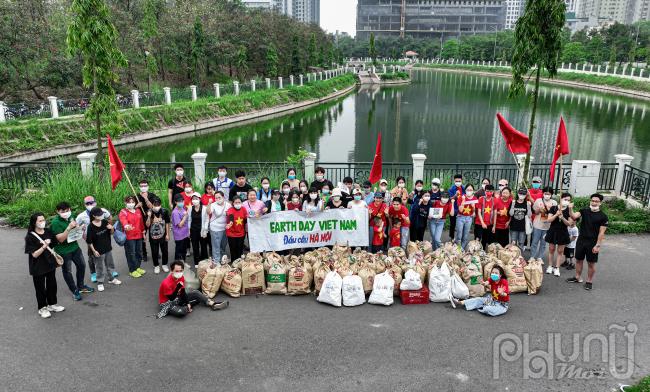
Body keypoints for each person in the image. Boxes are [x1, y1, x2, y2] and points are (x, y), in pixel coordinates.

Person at [25, 212, 65, 319]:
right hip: (38, 266)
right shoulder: (30, 236)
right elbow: (34, 254)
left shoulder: (48, 231)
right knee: (40, 287)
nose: (43, 222)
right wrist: (45, 245)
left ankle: (52, 304)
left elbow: (55, 244)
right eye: (40, 221)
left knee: (52, 284)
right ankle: (42, 308)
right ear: (34, 223)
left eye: (43, 220)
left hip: (49, 263)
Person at [51, 201, 93, 301]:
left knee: (82, 265)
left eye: (68, 210)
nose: (66, 212)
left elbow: (76, 228)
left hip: (75, 247)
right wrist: (68, 228)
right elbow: (60, 239)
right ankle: (74, 290)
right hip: (63, 251)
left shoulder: (71, 216)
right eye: (63, 211)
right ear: (58, 211)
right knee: (67, 271)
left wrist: (80, 228)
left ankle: (81, 286)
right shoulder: (55, 223)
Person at [157, 260, 228, 318]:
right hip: (167, 303)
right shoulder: (166, 283)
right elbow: (171, 298)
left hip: (177, 298)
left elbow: (182, 292)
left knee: (196, 293)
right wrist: (178, 288)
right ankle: (188, 305)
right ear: (172, 271)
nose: (179, 273)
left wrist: (187, 303)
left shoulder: (181, 277)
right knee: (181, 312)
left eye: (181, 271)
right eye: (177, 271)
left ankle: (213, 304)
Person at [567, 193, 608, 290]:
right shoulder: (584, 211)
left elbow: (601, 233)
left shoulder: (603, 216)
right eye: (592, 201)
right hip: (581, 240)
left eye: (596, 201)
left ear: (600, 203)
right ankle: (577, 277)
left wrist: (597, 245)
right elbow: (573, 216)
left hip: (593, 242)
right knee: (578, 260)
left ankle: (589, 281)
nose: (594, 203)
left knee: (591, 263)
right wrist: (570, 208)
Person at [75, 195, 112, 283]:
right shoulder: (81, 216)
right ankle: (93, 273)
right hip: (90, 239)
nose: (90, 204)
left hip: (102, 236)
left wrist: (108, 226)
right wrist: (81, 228)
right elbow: (75, 226)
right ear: (84, 205)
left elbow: (110, 217)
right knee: (92, 256)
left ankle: (110, 272)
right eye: (87, 203)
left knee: (107, 254)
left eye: (91, 203)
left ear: (95, 203)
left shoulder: (102, 211)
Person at [86, 207, 122, 291]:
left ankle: (111, 278)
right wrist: (94, 251)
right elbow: (89, 241)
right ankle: (100, 282)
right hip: (98, 250)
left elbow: (112, 233)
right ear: (94, 216)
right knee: (99, 267)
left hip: (107, 248)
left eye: (102, 214)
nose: (102, 216)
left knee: (110, 264)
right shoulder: (90, 226)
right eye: (99, 215)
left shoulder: (105, 222)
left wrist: (112, 228)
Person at [544, 192, 573, 277]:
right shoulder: (553, 208)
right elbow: (549, 220)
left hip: (563, 232)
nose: (566, 201)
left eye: (568, 200)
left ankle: (557, 268)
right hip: (553, 231)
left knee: (560, 251)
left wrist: (562, 218)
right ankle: (550, 266)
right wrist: (556, 215)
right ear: (561, 199)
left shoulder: (569, 210)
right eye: (565, 199)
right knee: (551, 249)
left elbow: (569, 224)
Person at [119, 196, 146, 278]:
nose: (131, 204)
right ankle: (132, 270)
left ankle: (137, 267)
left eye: (132, 202)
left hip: (139, 235)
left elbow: (141, 223)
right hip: (129, 237)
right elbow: (123, 220)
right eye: (129, 202)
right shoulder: (123, 212)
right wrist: (126, 226)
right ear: (125, 203)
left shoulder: (138, 211)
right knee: (131, 254)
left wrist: (143, 231)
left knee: (139, 252)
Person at [531, 186, 557, 260]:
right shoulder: (538, 200)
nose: (547, 195)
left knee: (543, 243)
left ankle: (540, 257)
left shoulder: (554, 203)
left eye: (549, 194)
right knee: (534, 242)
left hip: (547, 226)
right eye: (545, 193)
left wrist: (550, 210)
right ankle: (532, 256)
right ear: (543, 193)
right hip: (537, 225)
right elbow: (535, 212)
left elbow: (555, 214)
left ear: (551, 194)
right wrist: (539, 210)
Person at [146, 197, 170, 274]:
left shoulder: (165, 211)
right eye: (155, 204)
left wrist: (167, 234)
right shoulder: (149, 212)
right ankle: (156, 265)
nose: (157, 206)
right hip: (153, 237)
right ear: (152, 205)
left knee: (165, 251)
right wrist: (149, 217)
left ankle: (164, 264)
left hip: (163, 235)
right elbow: (147, 225)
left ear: (160, 204)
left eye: (158, 204)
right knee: (154, 252)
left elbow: (167, 223)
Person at [204, 191, 230, 262]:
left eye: (219, 197)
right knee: (216, 246)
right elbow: (208, 212)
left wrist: (230, 223)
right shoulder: (213, 205)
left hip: (225, 228)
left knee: (223, 245)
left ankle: (222, 258)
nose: (218, 199)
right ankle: (216, 261)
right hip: (215, 228)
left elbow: (230, 215)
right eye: (216, 198)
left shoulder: (228, 205)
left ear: (223, 197)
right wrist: (209, 203)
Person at [137, 179, 158, 263]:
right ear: (139, 187)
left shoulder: (152, 195)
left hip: (151, 217)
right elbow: (131, 208)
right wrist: (136, 206)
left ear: (148, 186)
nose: (143, 187)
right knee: (143, 237)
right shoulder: (136, 196)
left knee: (154, 235)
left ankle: (155, 252)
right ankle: (144, 254)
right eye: (141, 186)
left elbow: (153, 207)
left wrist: (146, 198)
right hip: (141, 219)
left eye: (145, 186)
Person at [188, 194, 209, 266]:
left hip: (202, 230)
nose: (194, 200)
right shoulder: (190, 208)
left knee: (203, 245)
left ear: (199, 199)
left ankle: (205, 260)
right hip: (193, 230)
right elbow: (189, 220)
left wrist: (205, 230)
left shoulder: (204, 208)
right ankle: (196, 262)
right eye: (193, 199)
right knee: (195, 246)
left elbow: (207, 219)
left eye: (196, 199)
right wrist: (188, 230)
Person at [455, 184, 477, 250]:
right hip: (460, 217)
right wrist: (463, 201)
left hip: (469, 218)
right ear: (465, 190)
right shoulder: (461, 197)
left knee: (465, 236)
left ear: (473, 191)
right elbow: (460, 210)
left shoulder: (474, 198)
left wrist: (473, 207)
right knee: (459, 235)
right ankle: (458, 249)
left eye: (471, 190)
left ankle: (462, 249)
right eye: (468, 190)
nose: (469, 191)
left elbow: (474, 213)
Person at [171, 194, 190, 262]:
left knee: (184, 250)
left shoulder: (182, 208)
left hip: (185, 234)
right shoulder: (175, 212)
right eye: (179, 201)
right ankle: (178, 265)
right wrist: (185, 216)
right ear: (175, 202)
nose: (181, 202)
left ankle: (183, 263)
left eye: (182, 201)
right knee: (179, 251)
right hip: (179, 235)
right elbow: (180, 225)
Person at [475, 185, 495, 249]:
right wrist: (482, 223)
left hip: (489, 224)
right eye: (487, 191)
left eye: (491, 191)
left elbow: (495, 213)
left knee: (485, 240)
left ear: (493, 192)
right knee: (477, 239)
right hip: (479, 223)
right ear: (485, 191)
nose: (489, 193)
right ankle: (475, 252)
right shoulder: (481, 199)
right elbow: (479, 212)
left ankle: (482, 252)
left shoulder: (494, 200)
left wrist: (494, 225)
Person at [448, 174, 465, 242]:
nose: (458, 182)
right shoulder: (451, 189)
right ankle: (452, 237)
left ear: (461, 181)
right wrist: (455, 195)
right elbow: (449, 199)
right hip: (454, 209)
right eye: (456, 181)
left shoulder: (464, 188)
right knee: (453, 224)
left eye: (459, 181)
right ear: (454, 181)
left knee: (460, 225)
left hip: (462, 209)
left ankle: (460, 238)